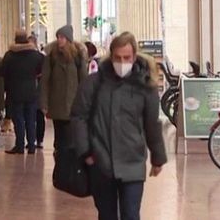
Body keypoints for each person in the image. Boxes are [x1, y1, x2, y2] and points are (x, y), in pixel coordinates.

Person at [71, 32, 167, 220]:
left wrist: (158, 157)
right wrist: (86, 153)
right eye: (117, 57)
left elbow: (151, 123)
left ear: (134, 56)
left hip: (133, 163)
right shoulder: (93, 84)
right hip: (101, 163)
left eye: (126, 58)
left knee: (131, 214)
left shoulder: (146, 87)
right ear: (111, 55)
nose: (122, 62)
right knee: (107, 215)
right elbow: (78, 117)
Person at [40, 24, 88, 150]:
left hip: (73, 104)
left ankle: (69, 164)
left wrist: (85, 102)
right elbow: (45, 80)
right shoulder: (51, 56)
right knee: (59, 138)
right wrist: (44, 103)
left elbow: (84, 81)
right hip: (56, 104)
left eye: (62, 37)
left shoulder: (78, 57)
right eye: (58, 37)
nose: (59, 40)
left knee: (71, 138)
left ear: (68, 39)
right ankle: (60, 161)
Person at [0, 30, 43, 154]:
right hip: (31, 91)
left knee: (18, 119)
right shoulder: (35, 55)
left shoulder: (10, 55)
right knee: (30, 119)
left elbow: (1, 71)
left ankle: (19, 145)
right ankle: (32, 146)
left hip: (15, 91)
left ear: (15, 39)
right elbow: (42, 68)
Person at [28, 35, 46, 149]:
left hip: (38, 89)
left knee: (38, 116)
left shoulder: (41, 57)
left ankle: (38, 139)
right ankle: (32, 139)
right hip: (30, 90)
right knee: (31, 116)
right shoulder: (27, 57)